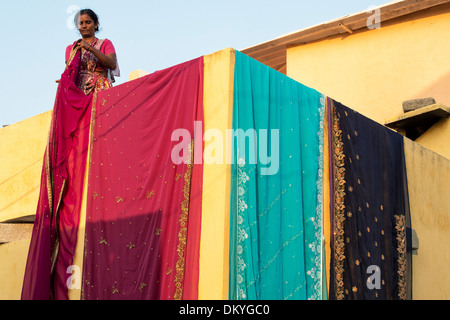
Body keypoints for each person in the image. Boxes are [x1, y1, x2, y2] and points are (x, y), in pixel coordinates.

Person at [65, 9, 120, 95]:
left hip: (100, 89)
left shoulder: (105, 43)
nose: (84, 26)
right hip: (78, 92)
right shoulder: (72, 48)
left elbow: (112, 64)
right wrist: (64, 79)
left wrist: (90, 48)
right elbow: (71, 72)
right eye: (80, 23)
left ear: (96, 24)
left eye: (88, 22)